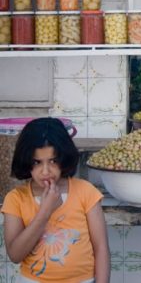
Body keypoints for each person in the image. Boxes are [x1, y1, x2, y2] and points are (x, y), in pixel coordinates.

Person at [2, 117, 110, 283]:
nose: (45, 171)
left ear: (64, 158)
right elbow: (15, 255)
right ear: (26, 161)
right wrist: (45, 211)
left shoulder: (86, 192)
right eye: (37, 162)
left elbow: (101, 248)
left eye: (53, 161)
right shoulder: (16, 199)